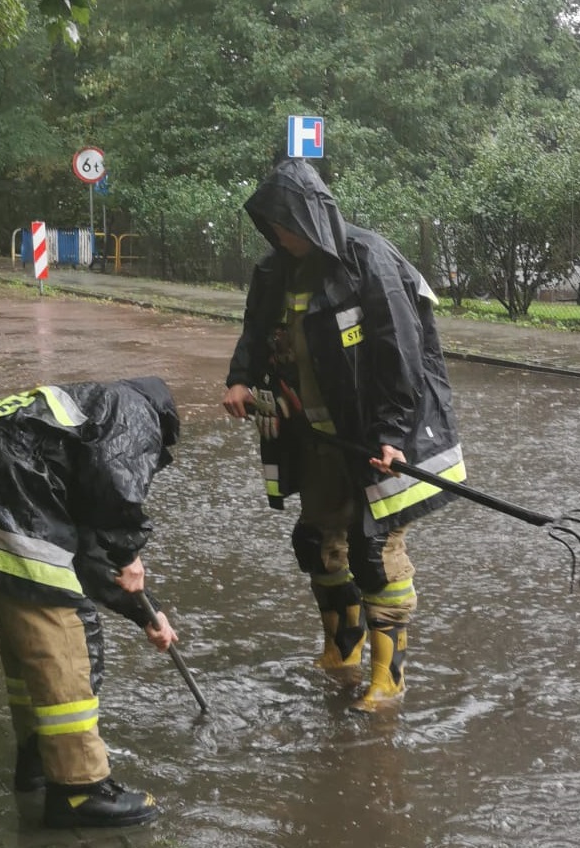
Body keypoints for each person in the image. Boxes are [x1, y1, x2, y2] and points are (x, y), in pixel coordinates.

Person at [222, 159, 466, 712]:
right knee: (317, 544)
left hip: (382, 439)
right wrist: (240, 379)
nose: (278, 235)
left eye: (285, 225)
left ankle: (388, 678)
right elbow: (257, 330)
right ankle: (342, 650)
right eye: (272, 226)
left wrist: (391, 435)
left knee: (373, 549)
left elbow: (401, 353)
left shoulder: (368, 259)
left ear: (310, 218)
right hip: (318, 440)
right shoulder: (274, 271)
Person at [0, 376, 180, 828]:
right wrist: (130, 552)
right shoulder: (134, 408)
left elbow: (85, 549)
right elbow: (116, 489)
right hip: (4, 494)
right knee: (66, 635)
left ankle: (38, 756)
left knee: (29, 636)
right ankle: (80, 789)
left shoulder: (78, 413)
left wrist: (146, 611)